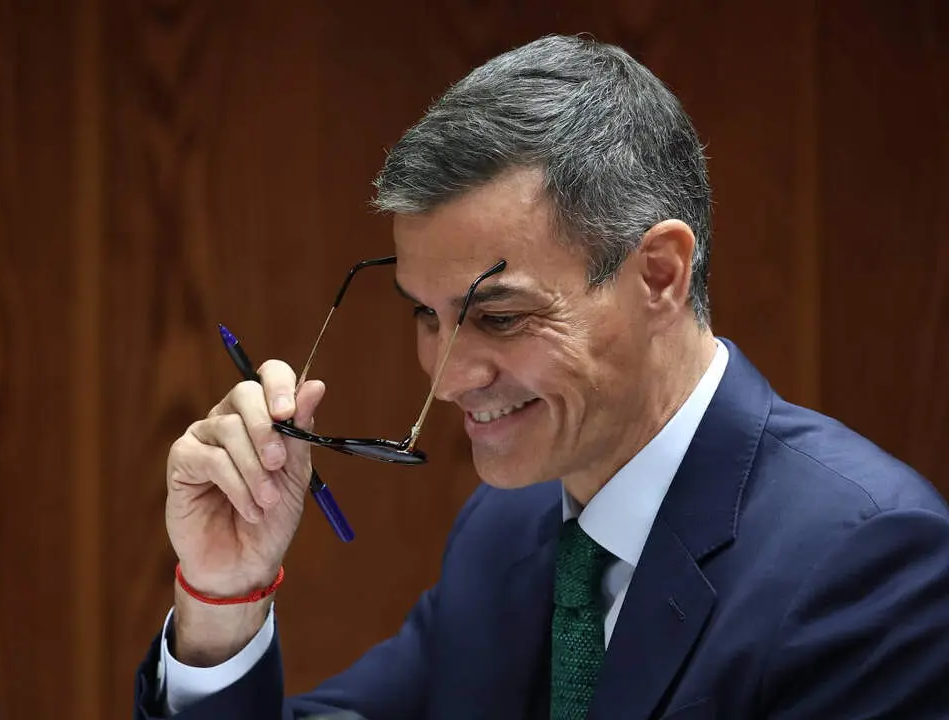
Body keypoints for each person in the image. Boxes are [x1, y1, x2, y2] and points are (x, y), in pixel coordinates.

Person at [132, 34, 949, 719]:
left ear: (660, 275)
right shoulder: (506, 531)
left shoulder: (869, 562)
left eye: (498, 317)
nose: (447, 381)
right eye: (426, 316)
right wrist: (224, 597)